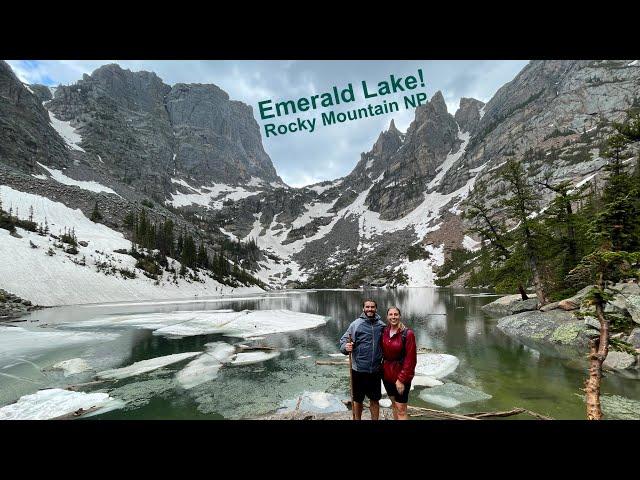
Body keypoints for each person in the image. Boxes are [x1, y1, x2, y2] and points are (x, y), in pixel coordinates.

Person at [339, 298, 386, 420]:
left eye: (372, 307)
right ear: (363, 308)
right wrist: (346, 347)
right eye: (367, 307)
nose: (370, 309)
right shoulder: (356, 324)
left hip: (375, 370)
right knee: (358, 400)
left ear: (376, 309)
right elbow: (344, 341)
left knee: (375, 399)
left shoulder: (381, 326)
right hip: (359, 369)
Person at [381, 306, 416, 420]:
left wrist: (401, 379)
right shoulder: (385, 331)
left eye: (396, 314)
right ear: (387, 317)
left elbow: (410, 360)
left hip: (401, 377)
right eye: (391, 314)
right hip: (387, 376)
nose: (393, 317)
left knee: (401, 409)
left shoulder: (407, 334)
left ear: (399, 316)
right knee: (394, 406)